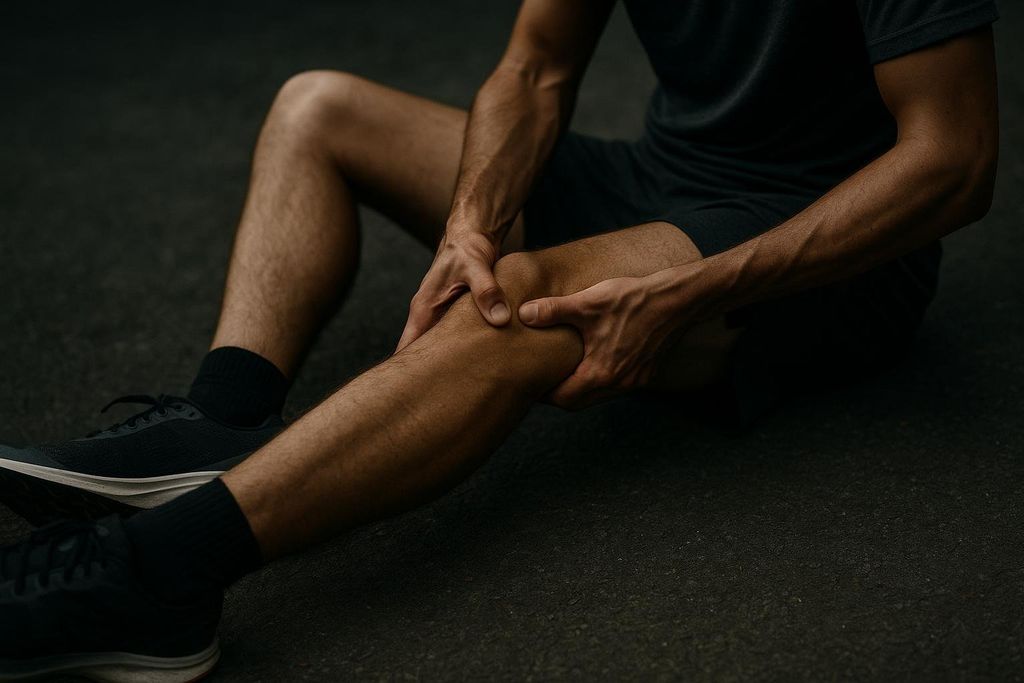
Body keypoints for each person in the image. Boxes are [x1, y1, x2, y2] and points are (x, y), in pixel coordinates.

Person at [0, 0, 999, 680]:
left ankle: (152, 577)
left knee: (515, 304)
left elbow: (951, 162)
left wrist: (689, 290)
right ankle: (216, 426)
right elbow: (534, 66)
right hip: (665, 179)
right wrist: (474, 216)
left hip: (828, 249)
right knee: (319, 106)